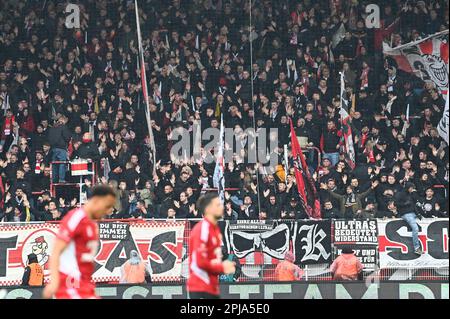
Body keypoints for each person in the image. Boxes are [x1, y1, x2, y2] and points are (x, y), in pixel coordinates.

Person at [42, 185, 116, 299]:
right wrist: (54, 281)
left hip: (85, 285)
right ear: (96, 201)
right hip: (70, 284)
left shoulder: (92, 225)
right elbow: (56, 250)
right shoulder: (76, 217)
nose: (108, 211)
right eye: (107, 206)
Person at [187, 193, 236, 299]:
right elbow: (200, 261)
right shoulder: (202, 230)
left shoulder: (214, 229)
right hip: (200, 285)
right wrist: (222, 267)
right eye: (217, 205)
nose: (221, 207)